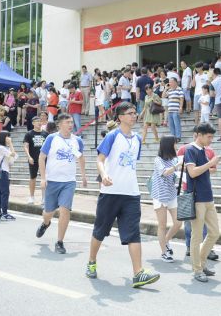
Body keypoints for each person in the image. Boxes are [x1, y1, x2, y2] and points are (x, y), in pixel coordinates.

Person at [86, 102, 160, 288]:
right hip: (110, 193)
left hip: (131, 193)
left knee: (133, 233)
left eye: (135, 113)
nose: (134, 116)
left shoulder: (137, 139)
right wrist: (104, 175)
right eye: (130, 113)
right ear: (120, 117)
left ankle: (138, 273)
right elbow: (100, 160)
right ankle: (92, 261)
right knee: (100, 231)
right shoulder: (112, 136)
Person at [35, 114, 86, 253]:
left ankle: (59, 242)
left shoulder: (77, 140)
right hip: (52, 181)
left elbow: (81, 158)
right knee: (48, 212)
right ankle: (46, 223)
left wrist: (83, 176)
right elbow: (41, 157)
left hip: (69, 182)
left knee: (65, 210)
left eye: (71, 122)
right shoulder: (51, 138)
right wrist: (43, 178)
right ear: (60, 124)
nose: (71, 125)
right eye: (67, 122)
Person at [184, 122, 221, 282]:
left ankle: (201, 262)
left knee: (214, 233)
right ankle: (197, 269)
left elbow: (203, 171)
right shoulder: (190, 150)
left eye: (212, 137)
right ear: (199, 135)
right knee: (197, 236)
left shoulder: (203, 150)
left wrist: (210, 165)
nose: (211, 140)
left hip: (208, 197)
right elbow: (192, 173)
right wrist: (210, 163)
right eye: (209, 136)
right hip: (197, 198)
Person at [151, 135, 182, 262]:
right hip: (160, 196)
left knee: (178, 223)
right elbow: (164, 172)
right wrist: (177, 166)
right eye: (174, 143)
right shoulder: (158, 160)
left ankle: (166, 240)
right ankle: (164, 252)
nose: (176, 146)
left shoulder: (174, 159)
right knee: (162, 225)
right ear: (169, 145)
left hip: (171, 194)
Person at [23, 116, 48, 204]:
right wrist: (29, 157)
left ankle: (44, 198)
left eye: (40, 121)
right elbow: (26, 146)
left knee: (44, 178)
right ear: (33, 123)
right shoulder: (29, 134)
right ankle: (31, 197)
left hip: (44, 160)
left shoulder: (46, 134)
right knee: (32, 178)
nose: (39, 122)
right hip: (33, 159)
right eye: (37, 121)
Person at [0, 130, 17, 221]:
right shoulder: (1, 148)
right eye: (8, 137)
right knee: (5, 193)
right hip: (3, 172)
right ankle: (4, 213)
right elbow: (13, 154)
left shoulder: (0, 147)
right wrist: (10, 143)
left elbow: (11, 161)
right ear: (4, 137)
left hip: (2, 172)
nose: (9, 138)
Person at [165, 77, 184, 143]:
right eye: (169, 82)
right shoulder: (169, 90)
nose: (170, 83)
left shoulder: (179, 89)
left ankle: (178, 137)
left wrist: (181, 107)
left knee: (177, 124)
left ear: (175, 82)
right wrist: (165, 88)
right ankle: (172, 137)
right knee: (171, 125)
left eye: (171, 82)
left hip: (176, 110)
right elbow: (163, 96)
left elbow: (181, 99)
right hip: (170, 110)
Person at [211, 68, 221, 141]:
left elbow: (211, 94)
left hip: (219, 101)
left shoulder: (213, 82)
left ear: (214, 73)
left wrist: (217, 94)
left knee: (220, 118)